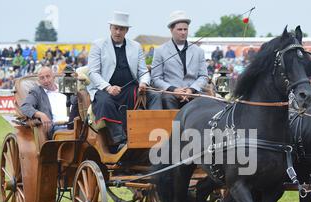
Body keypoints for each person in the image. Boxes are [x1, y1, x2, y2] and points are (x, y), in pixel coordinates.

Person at [88, 11, 163, 153]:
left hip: (131, 89)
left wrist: (144, 83)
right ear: (110, 28)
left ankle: (155, 135)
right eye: (115, 28)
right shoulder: (98, 45)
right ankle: (120, 140)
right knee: (104, 103)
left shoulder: (136, 46)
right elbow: (93, 72)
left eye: (121, 29)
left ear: (126, 31)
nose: (118, 32)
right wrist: (108, 88)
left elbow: (143, 72)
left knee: (156, 96)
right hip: (106, 90)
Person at [151, 10, 208, 109]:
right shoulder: (160, 51)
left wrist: (191, 89)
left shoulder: (199, 51)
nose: (183, 32)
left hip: (193, 94)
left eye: (185, 29)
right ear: (171, 30)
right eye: (180, 29)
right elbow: (155, 78)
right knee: (167, 99)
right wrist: (173, 90)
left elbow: (203, 76)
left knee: (205, 103)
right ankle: (174, 125)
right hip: (170, 94)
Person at [19, 66, 70, 138]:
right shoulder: (36, 92)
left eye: (48, 76)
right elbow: (25, 107)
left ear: (53, 77)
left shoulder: (65, 88)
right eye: (42, 78)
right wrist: (41, 114)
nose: (46, 80)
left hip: (74, 124)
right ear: (38, 81)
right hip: (56, 128)